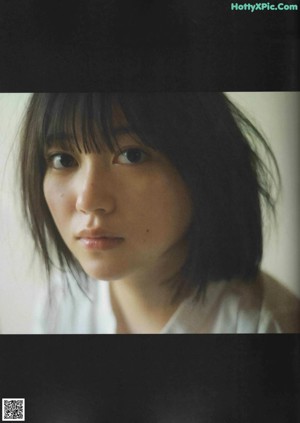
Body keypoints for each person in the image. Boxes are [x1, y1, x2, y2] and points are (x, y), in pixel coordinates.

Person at [18, 93, 299, 333]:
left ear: (205, 166)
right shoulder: (61, 302)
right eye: (63, 159)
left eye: (132, 155)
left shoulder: (267, 325)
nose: (88, 200)